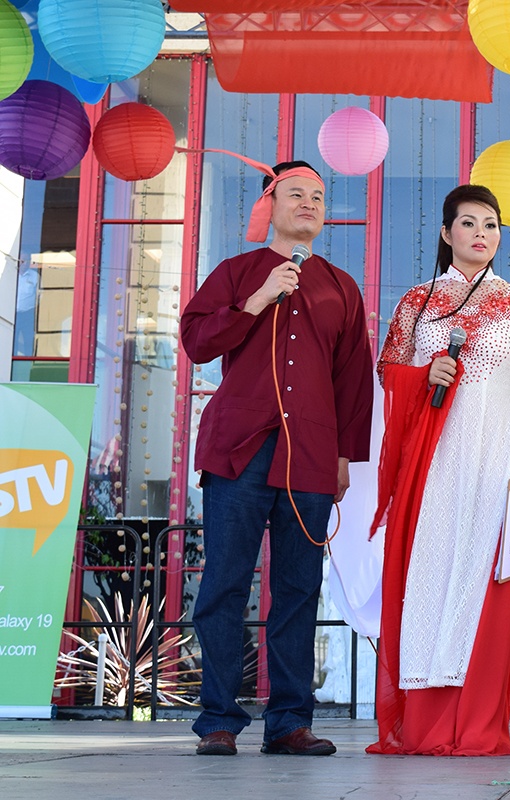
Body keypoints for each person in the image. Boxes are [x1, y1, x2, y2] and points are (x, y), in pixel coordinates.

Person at [368, 185, 510, 756]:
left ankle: (480, 725)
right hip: (433, 457)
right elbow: (387, 373)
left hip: (497, 453)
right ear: (446, 233)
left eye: (491, 224)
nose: (481, 234)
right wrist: (423, 374)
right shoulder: (416, 301)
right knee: (430, 576)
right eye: (468, 223)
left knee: (493, 580)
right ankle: (426, 725)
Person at [181, 159, 374, 756]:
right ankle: (218, 719)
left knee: (298, 588)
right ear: (270, 203)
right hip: (238, 451)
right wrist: (258, 299)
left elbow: (353, 380)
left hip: (309, 456)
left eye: (318, 195)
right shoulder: (236, 273)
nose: (309, 203)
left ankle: (289, 721)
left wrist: (344, 456)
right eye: (296, 193)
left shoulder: (342, 287)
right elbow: (197, 341)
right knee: (224, 584)